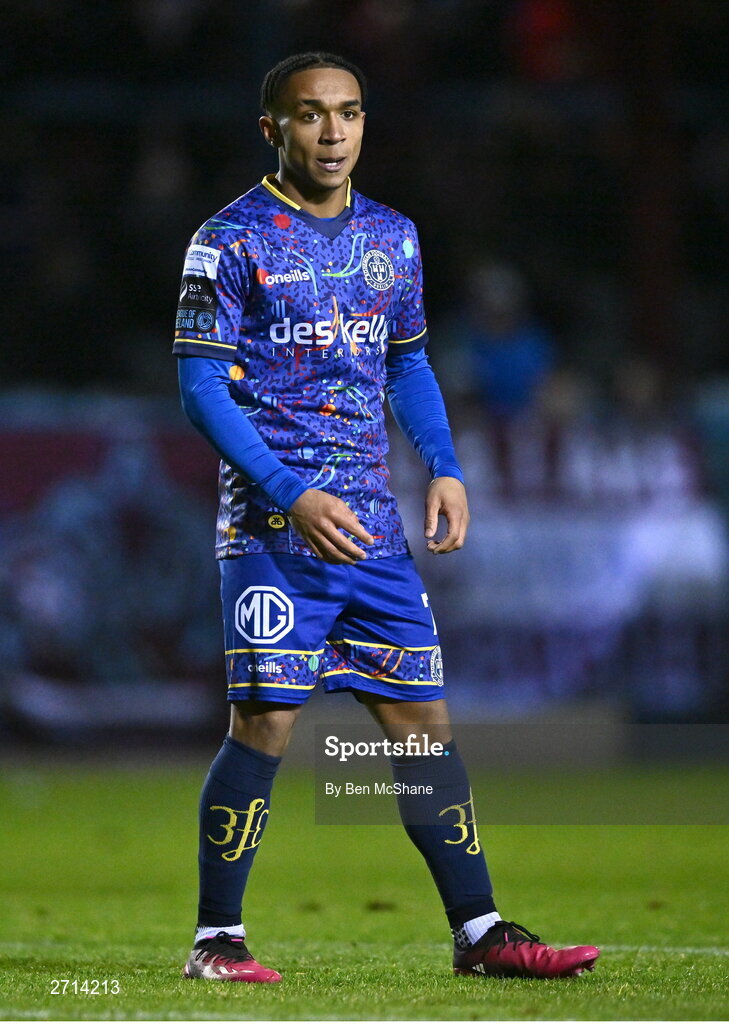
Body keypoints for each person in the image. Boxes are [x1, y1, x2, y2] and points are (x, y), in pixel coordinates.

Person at [174, 51, 599, 983]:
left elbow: (405, 363)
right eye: (310, 114)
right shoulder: (227, 241)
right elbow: (201, 387)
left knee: (423, 728)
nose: (333, 132)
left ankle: (480, 934)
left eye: (349, 112)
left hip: (370, 533)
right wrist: (289, 491)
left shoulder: (393, 238)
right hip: (273, 533)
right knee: (264, 726)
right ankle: (215, 942)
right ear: (272, 129)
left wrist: (443, 466)